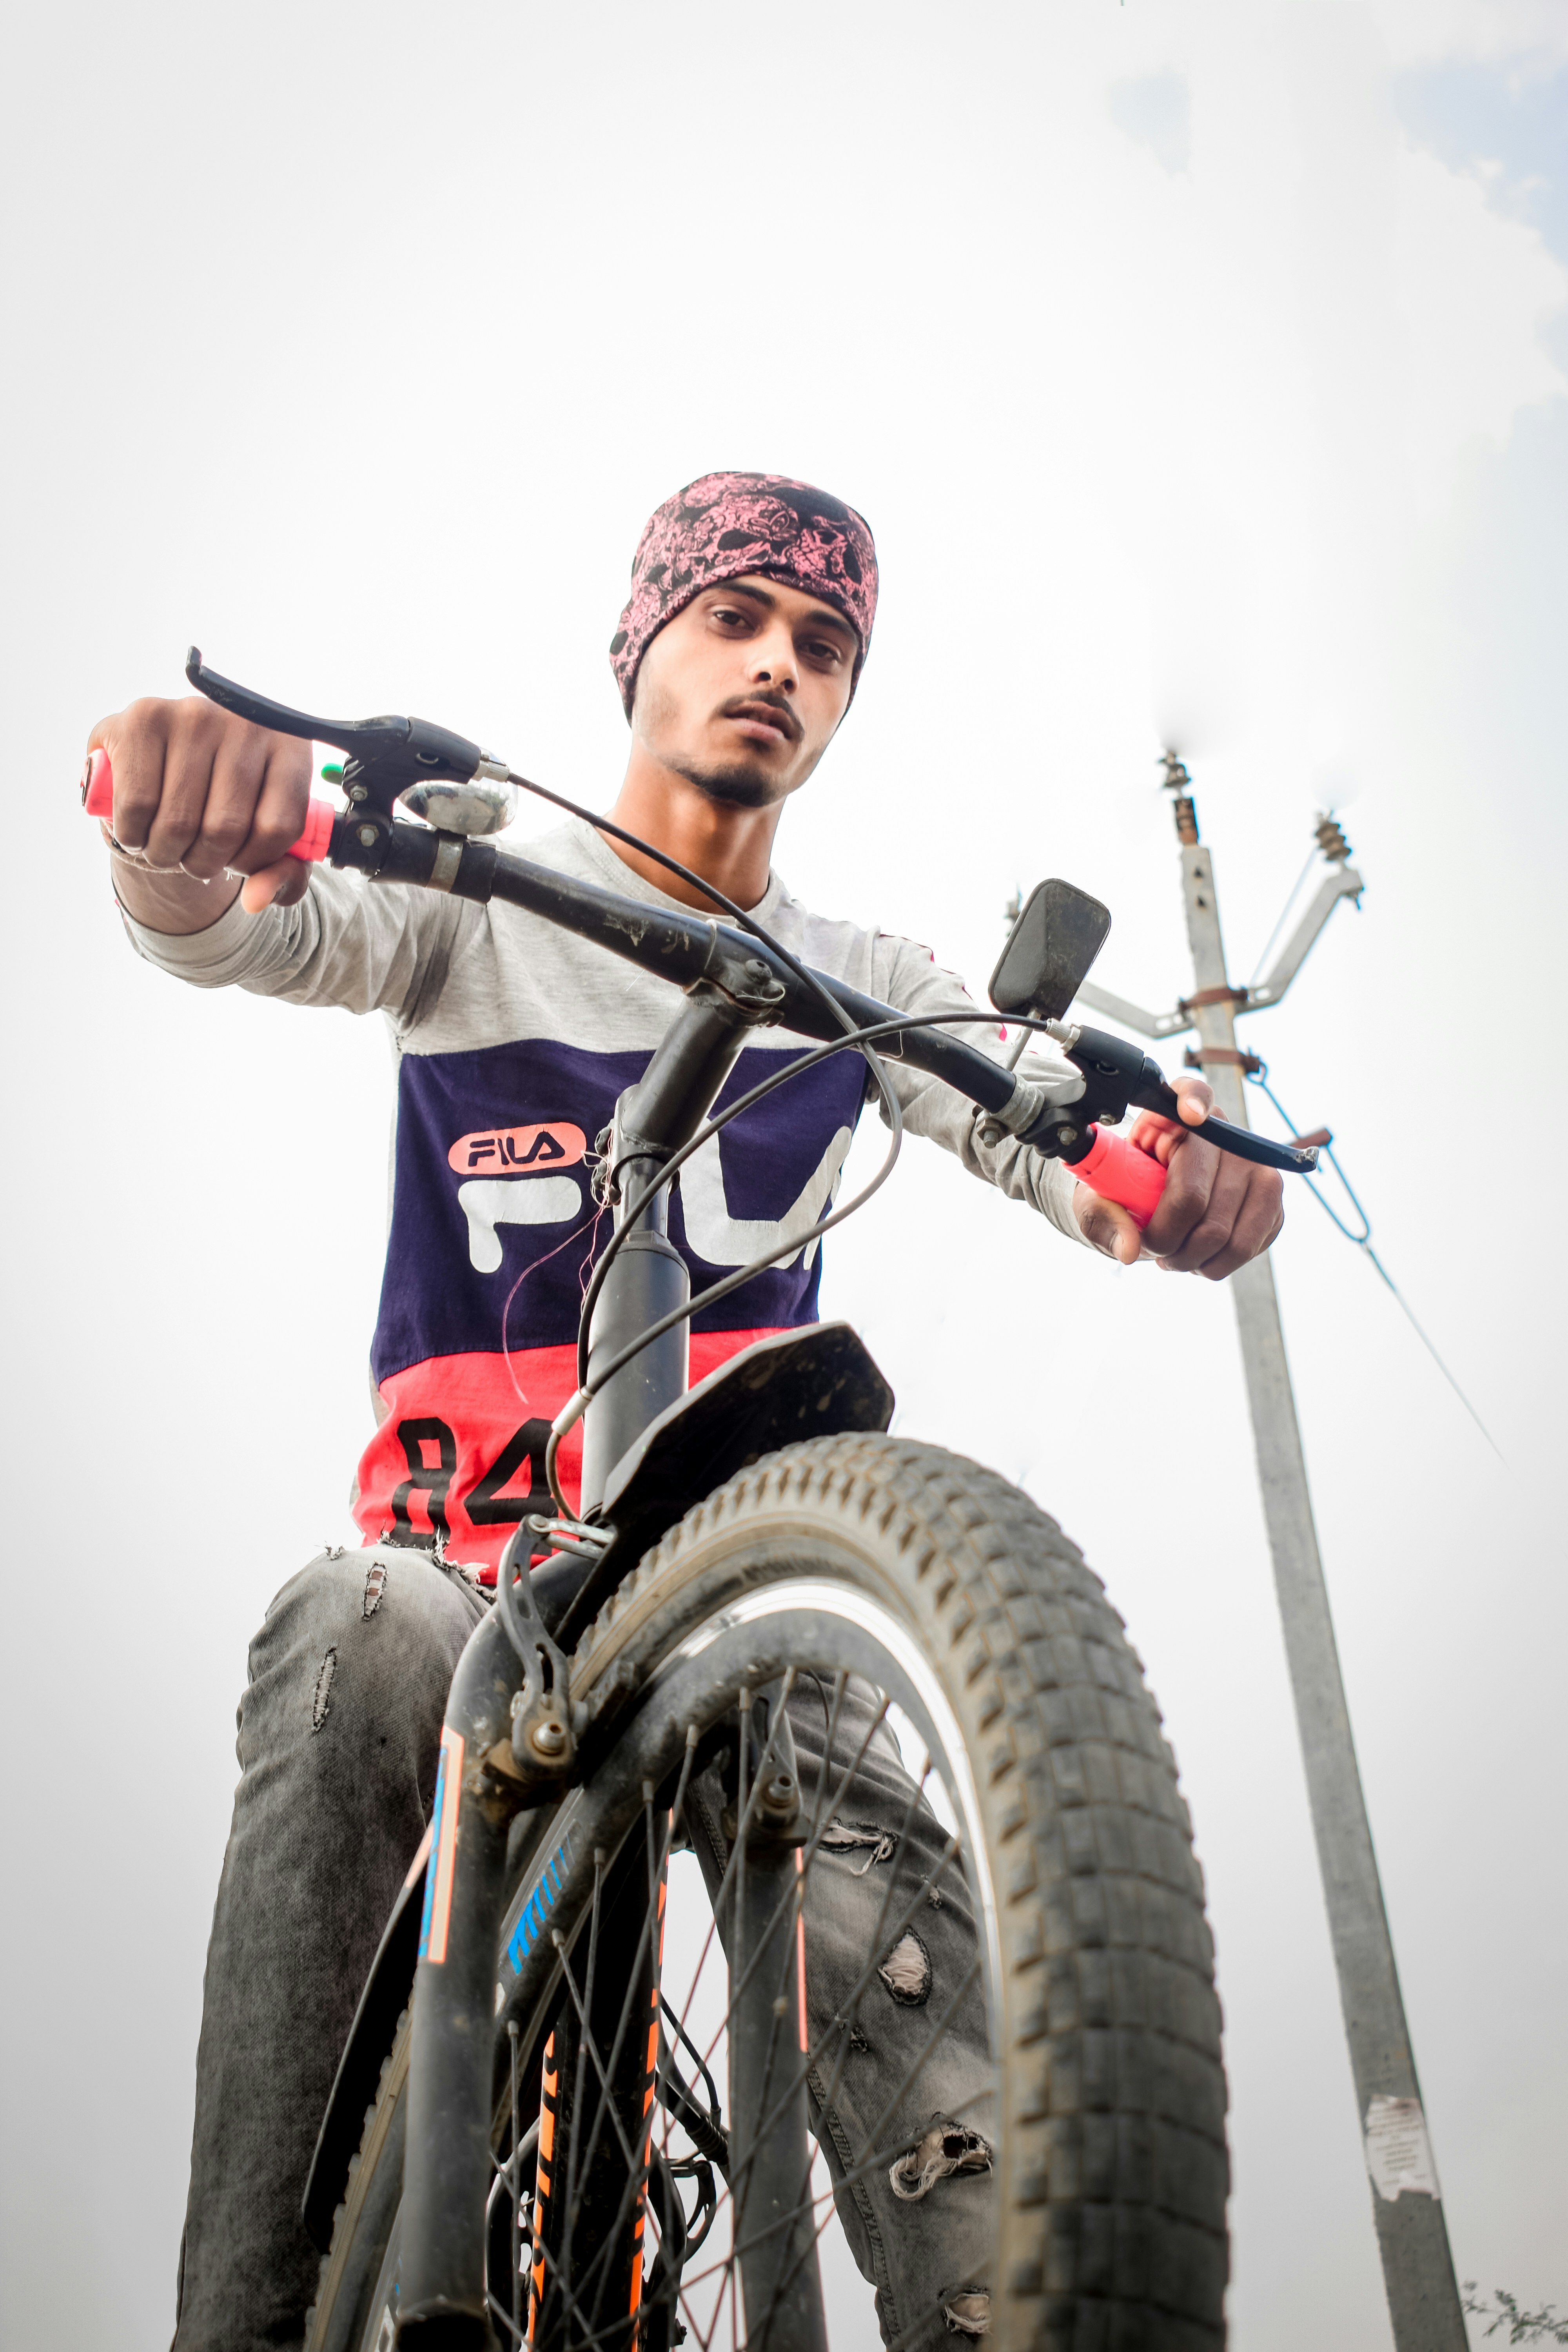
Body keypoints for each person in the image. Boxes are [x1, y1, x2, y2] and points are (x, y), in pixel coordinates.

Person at [91, 472, 1283, 2350]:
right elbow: (233, 927)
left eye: (822, 646)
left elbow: (1026, 1113)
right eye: (733, 618)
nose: (776, 667)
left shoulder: (860, 982)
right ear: (639, 649)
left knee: (838, 1783)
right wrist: (182, 817)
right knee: (349, 1628)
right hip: (463, 1573)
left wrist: (1164, 1168)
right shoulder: (471, 908)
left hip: (717, 1570)